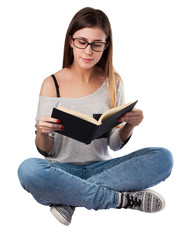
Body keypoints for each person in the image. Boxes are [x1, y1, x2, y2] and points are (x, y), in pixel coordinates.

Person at [18, 7, 173, 226]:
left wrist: (129, 126)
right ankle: (120, 199)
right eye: (82, 41)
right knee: (28, 170)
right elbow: (47, 150)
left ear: (106, 46)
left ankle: (67, 198)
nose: (88, 51)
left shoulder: (114, 82)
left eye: (96, 44)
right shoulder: (51, 84)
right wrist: (42, 132)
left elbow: (114, 144)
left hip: (103, 168)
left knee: (163, 158)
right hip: (60, 170)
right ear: (70, 41)